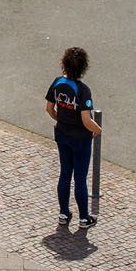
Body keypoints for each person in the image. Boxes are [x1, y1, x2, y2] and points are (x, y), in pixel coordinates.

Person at [46, 47, 102, 228]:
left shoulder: (57, 83)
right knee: (80, 178)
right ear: (84, 67)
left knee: (64, 174)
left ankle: (63, 214)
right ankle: (84, 218)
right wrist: (97, 129)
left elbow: (49, 108)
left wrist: (61, 119)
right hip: (81, 140)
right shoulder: (83, 90)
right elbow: (86, 120)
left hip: (62, 135)